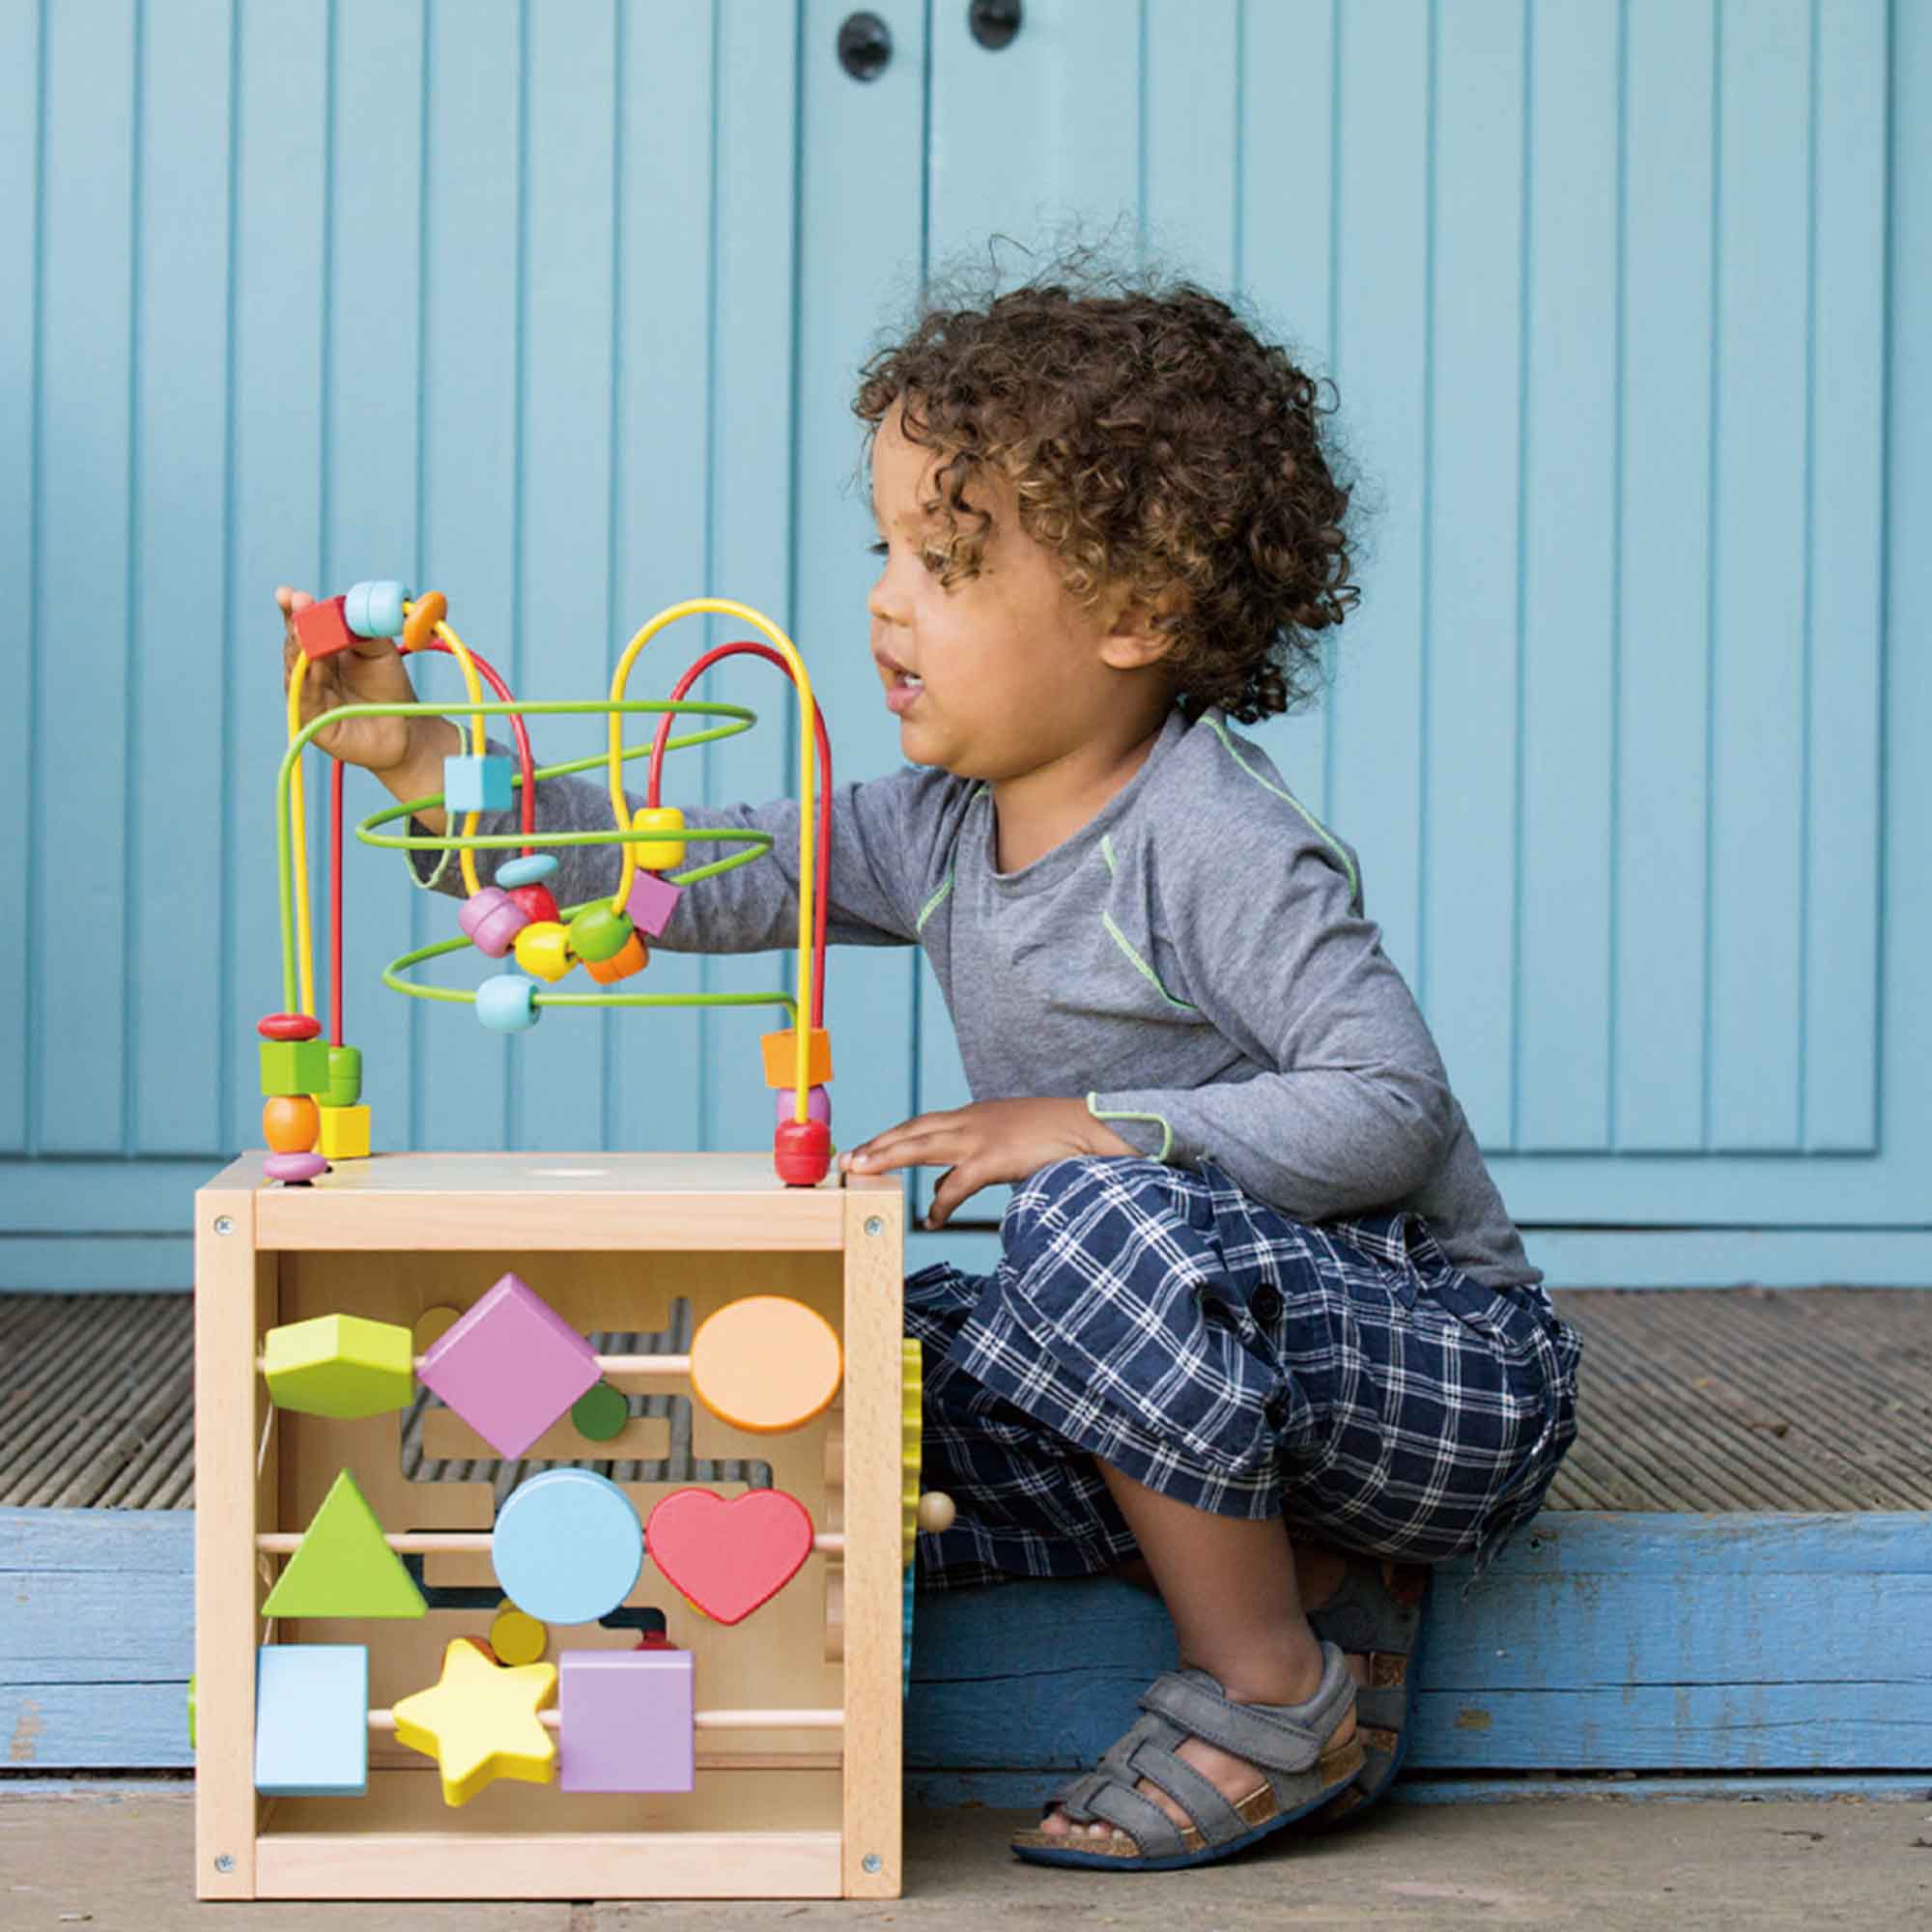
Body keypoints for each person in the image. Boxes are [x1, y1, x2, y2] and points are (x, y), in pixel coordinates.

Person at [278, 255, 1582, 1873]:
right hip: (1205, 1382)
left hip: (1442, 1370)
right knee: (848, 1355)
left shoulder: (1214, 841)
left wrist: (1083, 1129)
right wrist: (422, 762)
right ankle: (1311, 1578)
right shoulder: (937, 824)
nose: (889, 600)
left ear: (1138, 615)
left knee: (1087, 1229)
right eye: (886, 549)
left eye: (948, 564)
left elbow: (1393, 1111)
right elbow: (687, 867)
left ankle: (1272, 1690)